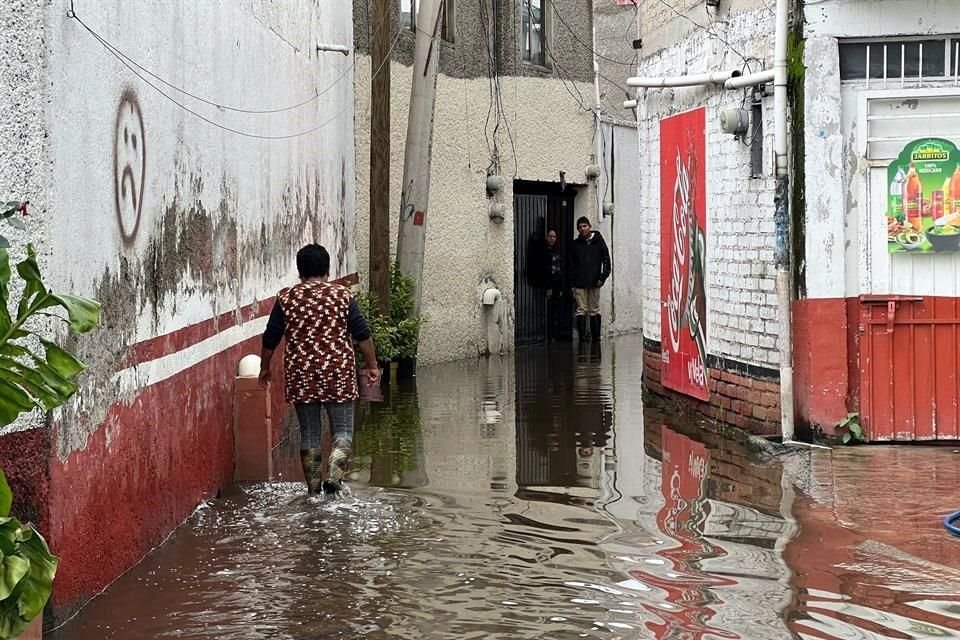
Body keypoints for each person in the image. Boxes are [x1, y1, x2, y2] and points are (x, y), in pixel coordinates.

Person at [259, 244, 381, 496]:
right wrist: (372, 366)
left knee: (310, 435)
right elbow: (362, 334)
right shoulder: (342, 296)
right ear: (327, 269)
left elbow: (271, 337)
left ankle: (314, 492)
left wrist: (264, 368)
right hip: (339, 373)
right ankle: (334, 478)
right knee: (344, 432)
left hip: (301, 374)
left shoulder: (286, 298)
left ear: (299, 270)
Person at [568, 216, 611, 343]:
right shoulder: (575, 245)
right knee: (581, 309)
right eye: (580, 227)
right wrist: (572, 283)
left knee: (594, 310)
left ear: (590, 227)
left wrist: (602, 277)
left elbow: (606, 260)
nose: (582, 229)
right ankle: (582, 339)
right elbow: (571, 264)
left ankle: (596, 339)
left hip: (594, 282)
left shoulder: (599, 241)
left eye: (584, 226)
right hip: (579, 282)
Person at [543, 229, 565, 342]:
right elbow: (545, 270)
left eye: (554, 237)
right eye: (550, 236)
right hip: (549, 285)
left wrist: (561, 287)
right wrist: (548, 287)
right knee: (549, 312)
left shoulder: (556, 251)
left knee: (556, 312)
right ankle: (548, 336)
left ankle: (555, 335)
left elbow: (559, 270)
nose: (552, 239)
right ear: (546, 237)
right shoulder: (544, 251)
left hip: (557, 285)